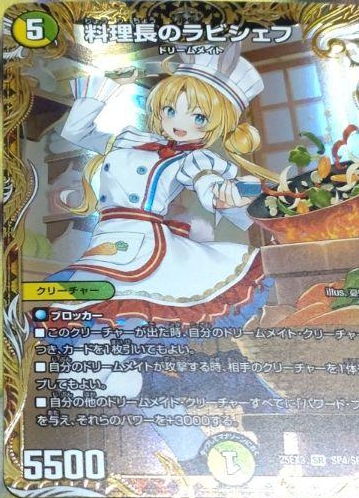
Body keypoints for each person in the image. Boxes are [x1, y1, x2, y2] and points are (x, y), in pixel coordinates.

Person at [53, 45, 274, 327]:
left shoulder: (193, 159)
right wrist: (110, 82)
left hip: (146, 243)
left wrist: (225, 195)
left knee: (132, 318)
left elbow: (207, 185)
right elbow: (75, 131)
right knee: (81, 315)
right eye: (170, 110)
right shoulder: (128, 140)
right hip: (104, 239)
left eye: (199, 118)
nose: (179, 123)